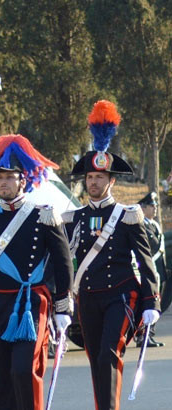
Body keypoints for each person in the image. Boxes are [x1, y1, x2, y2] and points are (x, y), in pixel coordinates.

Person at [63, 100, 161, 410]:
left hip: (120, 296)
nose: (93, 182)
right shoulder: (73, 218)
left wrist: (151, 302)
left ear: (111, 181)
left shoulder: (127, 215)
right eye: (90, 178)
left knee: (108, 353)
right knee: (96, 360)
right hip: (89, 298)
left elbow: (146, 263)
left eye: (99, 178)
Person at [0, 134, 74, 410]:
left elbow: (63, 263)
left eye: (9, 177)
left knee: (22, 372)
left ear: (23, 180)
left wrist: (63, 308)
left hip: (30, 304)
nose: (3, 183)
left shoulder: (43, 215)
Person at [137, 191, 165, 347]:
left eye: (156, 206)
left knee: (156, 301)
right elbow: (152, 246)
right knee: (148, 302)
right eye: (151, 206)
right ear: (143, 207)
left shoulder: (154, 225)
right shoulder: (142, 225)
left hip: (156, 270)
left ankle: (150, 334)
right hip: (147, 270)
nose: (154, 209)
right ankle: (143, 336)